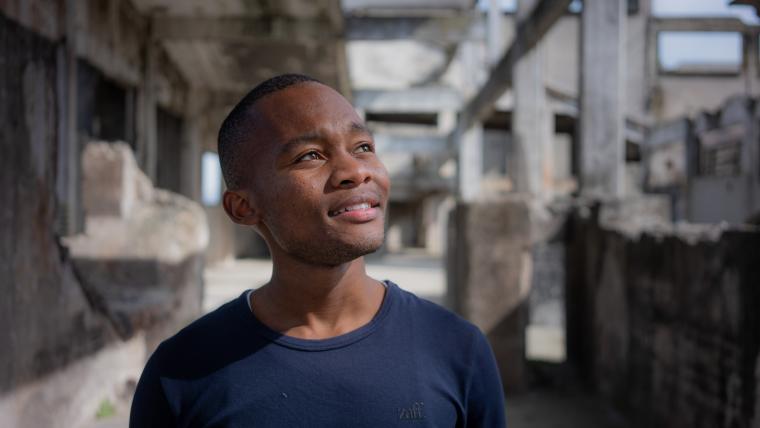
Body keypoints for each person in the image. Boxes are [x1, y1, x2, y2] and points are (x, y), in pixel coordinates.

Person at [129, 74, 506, 427]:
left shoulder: (458, 350)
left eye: (363, 147)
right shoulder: (180, 372)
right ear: (244, 207)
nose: (356, 171)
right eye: (310, 155)